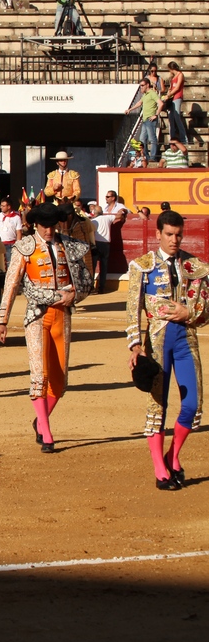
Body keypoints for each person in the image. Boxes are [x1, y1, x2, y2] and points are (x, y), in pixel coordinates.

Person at [0, 203, 93, 453]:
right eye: (44, 226)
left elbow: (86, 281)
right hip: (36, 316)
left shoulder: (69, 246)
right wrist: (2, 319)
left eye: (52, 225)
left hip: (63, 316)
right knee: (40, 376)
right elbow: (11, 283)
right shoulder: (25, 247)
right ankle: (47, 433)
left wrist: (75, 296)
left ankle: (40, 420)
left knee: (60, 382)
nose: (49, 230)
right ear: (35, 225)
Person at [126, 210, 209, 490]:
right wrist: (136, 345)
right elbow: (132, 310)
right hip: (157, 341)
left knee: (193, 405)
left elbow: (206, 309)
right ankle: (160, 469)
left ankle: (173, 456)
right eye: (170, 234)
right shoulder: (142, 265)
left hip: (186, 339)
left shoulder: (194, 266)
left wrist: (191, 312)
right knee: (157, 406)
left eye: (179, 235)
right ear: (158, 234)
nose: (175, 240)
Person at [0, 197, 23, 265]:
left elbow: (19, 233)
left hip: (11, 245)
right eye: (1, 205)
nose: (1, 207)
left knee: (10, 264)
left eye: (3, 206)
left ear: (9, 207)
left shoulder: (16, 217)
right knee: (0, 265)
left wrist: (17, 246)